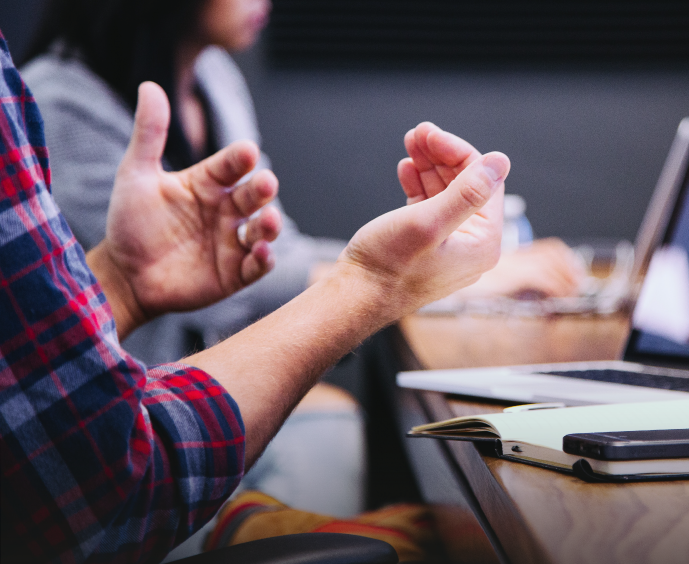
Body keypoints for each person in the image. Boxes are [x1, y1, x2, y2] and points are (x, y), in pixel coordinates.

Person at [0, 26, 512, 562]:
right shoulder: (58, 101)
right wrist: (375, 283)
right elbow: (99, 490)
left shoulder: (215, 77)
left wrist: (122, 285)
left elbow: (30, 364)